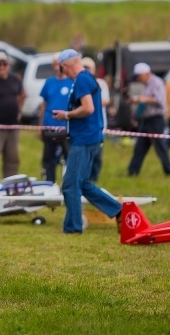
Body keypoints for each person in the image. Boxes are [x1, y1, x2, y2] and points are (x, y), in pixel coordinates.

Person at [52, 49, 121, 235]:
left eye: (62, 68)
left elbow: (88, 108)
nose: (62, 72)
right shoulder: (86, 78)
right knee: (81, 183)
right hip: (88, 137)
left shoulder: (82, 79)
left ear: (67, 65)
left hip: (84, 139)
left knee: (70, 184)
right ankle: (118, 210)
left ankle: (73, 227)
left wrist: (66, 115)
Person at [126, 62, 170, 177]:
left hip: (156, 119)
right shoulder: (145, 84)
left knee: (160, 147)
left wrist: (143, 99)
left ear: (146, 74)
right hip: (146, 119)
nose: (138, 78)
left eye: (139, 76)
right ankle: (132, 172)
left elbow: (160, 100)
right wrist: (136, 101)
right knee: (140, 147)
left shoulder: (157, 82)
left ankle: (169, 172)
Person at [38, 53, 72, 183]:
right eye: (54, 65)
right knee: (48, 158)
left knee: (68, 157)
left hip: (66, 127)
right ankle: (49, 183)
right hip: (49, 125)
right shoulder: (49, 82)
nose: (57, 67)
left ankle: (68, 185)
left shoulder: (71, 82)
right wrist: (40, 127)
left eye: (59, 64)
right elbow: (44, 105)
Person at [82, 56, 110, 181]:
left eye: (89, 68)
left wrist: (88, 101)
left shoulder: (101, 83)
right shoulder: (79, 83)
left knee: (97, 154)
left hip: (99, 124)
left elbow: (105, 101)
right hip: (84, 126)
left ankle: (93, 178)